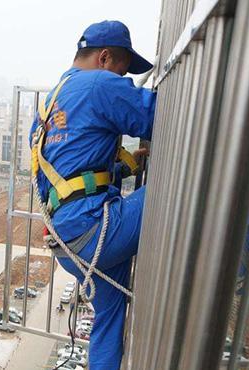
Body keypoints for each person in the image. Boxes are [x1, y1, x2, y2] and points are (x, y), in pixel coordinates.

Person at [30, 20, 156, 369]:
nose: (122, 78)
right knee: (171, 190)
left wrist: (124, 167)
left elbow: (69, 169)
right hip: (93, 231)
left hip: (68, 241)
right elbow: (161, 115)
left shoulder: (50, 104)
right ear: (104, 57)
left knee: (109, 317)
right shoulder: (99, 84)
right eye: (122, 69)